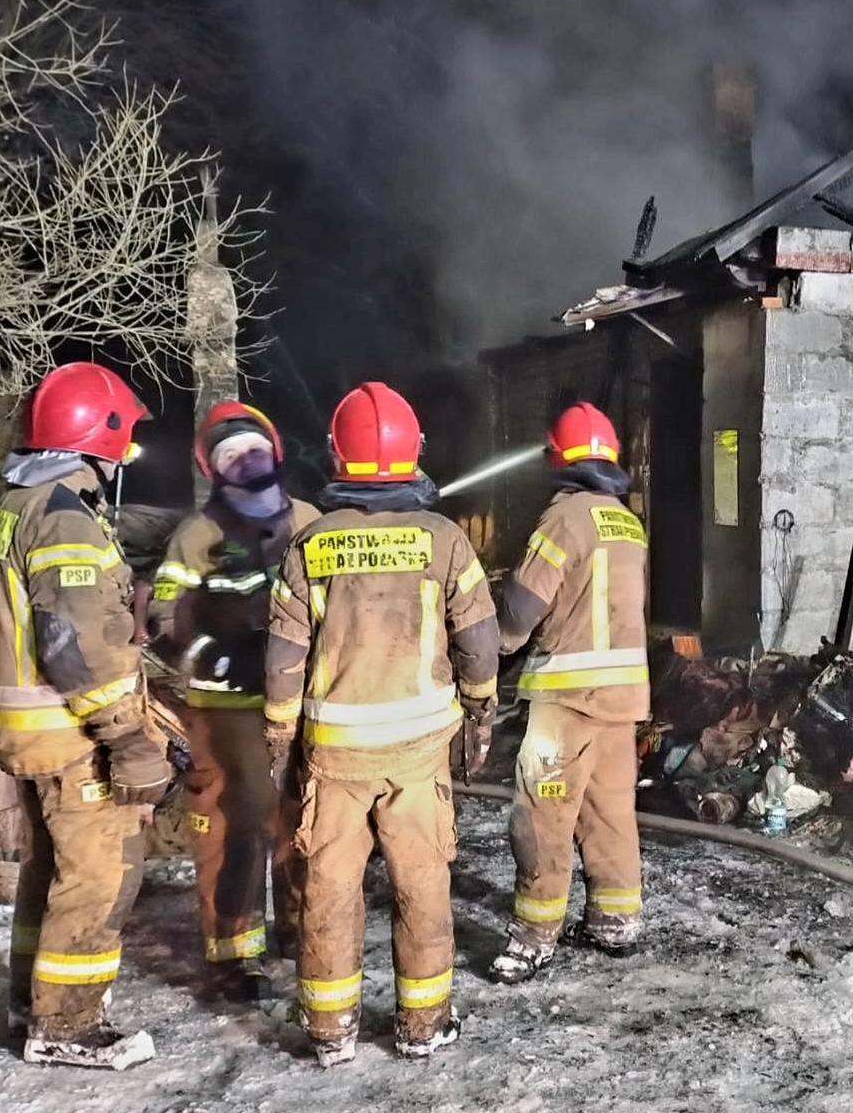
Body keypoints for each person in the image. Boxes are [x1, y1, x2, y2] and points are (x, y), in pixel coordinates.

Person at [264, 382, 498, 1067]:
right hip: (419, 753)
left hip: (334, 754)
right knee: (422, 883)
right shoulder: (444, 539)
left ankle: (329, 1029)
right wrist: (480, 713)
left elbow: (282, 660)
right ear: (412, 451)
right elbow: (479, 645)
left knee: (329, 888)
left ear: (338, 455)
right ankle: (423, 1024)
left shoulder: (310, 544)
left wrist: (279, 741)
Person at [0, 362, 173, 1070]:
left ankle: (32, 1003)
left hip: (27, 731)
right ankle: (68, 1023)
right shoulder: (63, 517)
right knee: (99, 874)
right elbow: (76, 644)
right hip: (72, 734)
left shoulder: (12, 506)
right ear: (101, 436)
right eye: (125, 440)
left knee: (51, 871)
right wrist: (128, 737)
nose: (125, 456)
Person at [149, 402, 318, 997]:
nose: (245, 460)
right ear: (214, 470)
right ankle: (235, 954)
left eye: (253, 449)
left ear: (275, 453)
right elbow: (161, 615)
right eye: (229, 455)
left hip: (298, 701)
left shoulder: (310, 521)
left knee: (301, 815)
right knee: (234, 824)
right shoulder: (197, 535)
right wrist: (212, 652)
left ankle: (301, 928)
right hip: (225, 708)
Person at [488, 401, 649, 986]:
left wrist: (491, 639)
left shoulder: (562, 520)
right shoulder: (625, 521)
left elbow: (518, 615)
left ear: (557, 458)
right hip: (621, 699)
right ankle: (616, 919)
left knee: (543, 816)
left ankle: (534, 936)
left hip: (567, 700)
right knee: (610, 812)